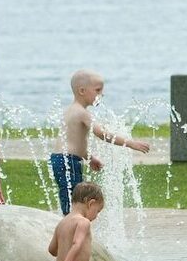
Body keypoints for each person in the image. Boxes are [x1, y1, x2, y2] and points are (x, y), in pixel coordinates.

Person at [51, 70, 150, 215]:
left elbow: (73, 142)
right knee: (76, 201)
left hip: (62, 159)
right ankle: (72, 228)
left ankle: (69, 225)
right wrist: (130, 143)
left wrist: (90, 158)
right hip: (68, 160)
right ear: (82, 91)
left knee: (71, 198)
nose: (101, 94)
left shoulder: (70, 111)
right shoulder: (81, 113)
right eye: (98, 90)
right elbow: (103, 134)